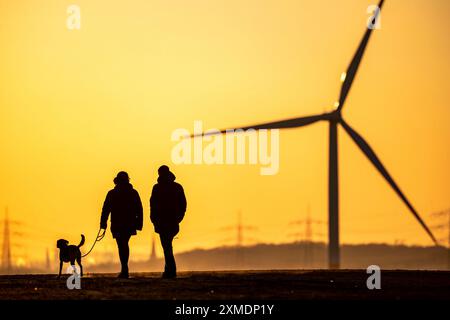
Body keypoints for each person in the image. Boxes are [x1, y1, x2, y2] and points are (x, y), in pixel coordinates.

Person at [100, 171, 143, 278]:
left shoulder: (112, 193)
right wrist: (139, 223)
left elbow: (106, 209)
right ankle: (124, 268)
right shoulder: (133, 193)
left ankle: (124, 268)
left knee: (122, 244)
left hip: (118, 224)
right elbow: (139, 209)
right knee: (124, 244)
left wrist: (103, 223)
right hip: (128, 223)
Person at [150, 165, 186, 278]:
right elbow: (183, 205)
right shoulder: (176, 187)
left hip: (166, 221)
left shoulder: (157, 188)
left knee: (166, 245)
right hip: (168, 221)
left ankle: (171, 270)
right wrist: (178, 218)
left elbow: (153, 205)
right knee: (167, 245)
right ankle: (169, 270)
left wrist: (154, 219)